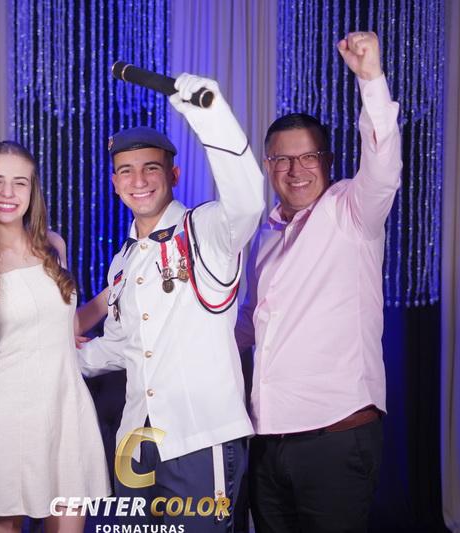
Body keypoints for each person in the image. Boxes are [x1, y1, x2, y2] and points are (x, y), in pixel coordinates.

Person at [77, 74, 265, 530]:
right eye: (126, 171)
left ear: (174, 175)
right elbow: (121, 345)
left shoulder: (207, 231)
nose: (138, 180)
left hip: (199, 436)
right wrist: (53, 355)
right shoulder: (123, 262)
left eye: (151, 168)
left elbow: (247, 202)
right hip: (135, 443)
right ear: (115, 182)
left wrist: (211, 115)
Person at [235, 32, 402, 532]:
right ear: (268, 166)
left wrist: (370, 79)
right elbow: (248, 323)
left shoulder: (351, 210)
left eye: (308, 157)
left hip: (335, 436)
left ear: (327, 161)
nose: (295, 170)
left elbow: (384, 164)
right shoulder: (263, 235)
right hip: (268, 439)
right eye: (282, 159)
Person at [0, 140, 110, 533]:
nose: (8, 192)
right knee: (4, 525)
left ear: (32, 190)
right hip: (9, 406)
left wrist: (117, 291)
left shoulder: (53, 244)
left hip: (66, 401)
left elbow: (67, 326)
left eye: (19, 182)